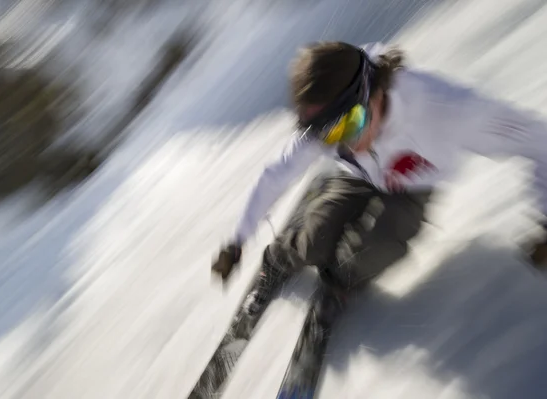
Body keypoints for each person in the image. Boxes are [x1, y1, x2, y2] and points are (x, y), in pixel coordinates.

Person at [211, 41, 547, 320]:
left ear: (374, 89)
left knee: (378, 249)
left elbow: (539, 142)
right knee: (314, 242)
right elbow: (277, 174)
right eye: (327, 136)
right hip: (355, 177)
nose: (345, 142)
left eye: (349, 125)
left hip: (410, 185)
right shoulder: (330, 125)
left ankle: (340, 280)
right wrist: (238, 241)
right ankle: (281, 256)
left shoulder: (451, 111)